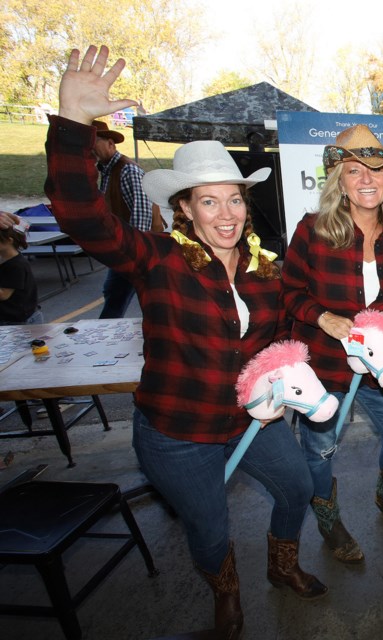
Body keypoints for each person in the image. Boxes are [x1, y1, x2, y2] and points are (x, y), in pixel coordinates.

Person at [45, 45, 325, 639]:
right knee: (209, 523)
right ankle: (226, 595)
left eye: (234, 198)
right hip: (178, 430)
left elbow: (278, 341)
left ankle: (283, 566)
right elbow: (81, 216)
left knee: (297, 485)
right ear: (184, 208)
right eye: (208, 200)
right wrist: (73, 126)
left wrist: (284, 377)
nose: (225, 213)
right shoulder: (158, 261)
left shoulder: (265, 271)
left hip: (254, 419)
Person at [281, 124, 383, 566]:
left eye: (376, 169)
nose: (366, 179)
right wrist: (322, 317)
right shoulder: (313, 231)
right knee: (320, 449)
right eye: (353, 170)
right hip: (324, 364)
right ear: (338, 181)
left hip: (379, 365)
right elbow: (289, 292)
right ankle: (329, 523)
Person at [91, 119, 157, 318]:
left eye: (94, 142)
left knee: (116, 296)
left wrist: (133, 250)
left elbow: (143, 213)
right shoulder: (106, 170)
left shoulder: (127, 169)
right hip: (124, 247)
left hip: (132, 249)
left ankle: (103, 336)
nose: (90, 149)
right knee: (120, 295)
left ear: (110, 143)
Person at [0, 212, 43, 325]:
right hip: (15, 317)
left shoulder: (15, 265)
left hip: (21, 320)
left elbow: (3, 294)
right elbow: (23, 225)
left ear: (9, 240)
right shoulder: (7, 260)